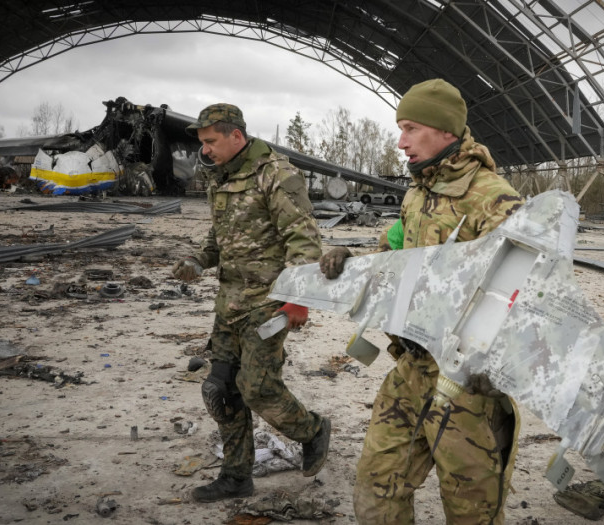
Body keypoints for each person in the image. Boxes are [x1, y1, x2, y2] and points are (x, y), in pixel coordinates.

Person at [320, 78, 525, 524]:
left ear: (445, 130)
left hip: (465, 384)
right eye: (400, 128)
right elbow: (395, 255)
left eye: (411, 128)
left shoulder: (495, 199)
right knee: (378, 487)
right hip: (410, 369)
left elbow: (527, 293)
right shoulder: (417, 193)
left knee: (472, 509)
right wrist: (353, 260)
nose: (401, 141)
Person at [173, 103, 330, 502]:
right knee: (221, 389)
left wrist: (299, 300)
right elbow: (221, 235)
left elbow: (304, 239)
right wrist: (198, 260)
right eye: (203, 143)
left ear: (236, 136)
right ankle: (236, 476)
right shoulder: (221, 178)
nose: (205, 150)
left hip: (269, 303)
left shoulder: (276, 174)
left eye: (211, 142)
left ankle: (312, 429)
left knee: (257, 388)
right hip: (230, 302)